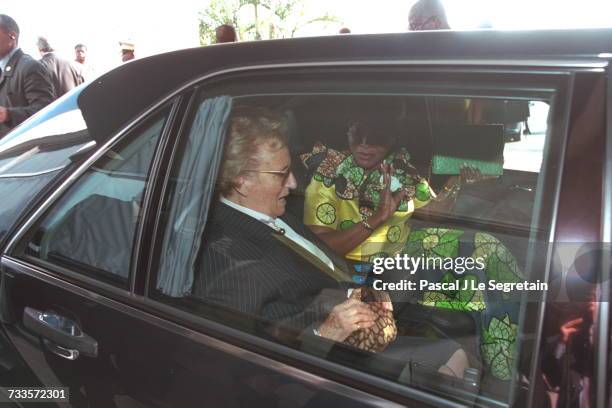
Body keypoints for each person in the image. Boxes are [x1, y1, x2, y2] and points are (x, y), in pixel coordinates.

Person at [194, 106, 469, 379]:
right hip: (327, 357)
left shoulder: (275, 212)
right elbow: (240, 366)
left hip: (357, 301)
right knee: (450, 356)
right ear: (241, 181)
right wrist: (324, 333)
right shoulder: (230, 255)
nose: (292, 183)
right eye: (281, 174)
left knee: (451, 318)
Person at [0, 15, 54, 138]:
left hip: (23, 150)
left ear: (12, 36)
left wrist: (8, 114)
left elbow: (45, 111)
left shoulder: (30, 67)